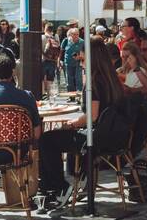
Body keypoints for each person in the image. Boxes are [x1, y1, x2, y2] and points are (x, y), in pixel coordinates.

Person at [38, 43, 126, 207]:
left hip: (96, 137)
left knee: (46, 140)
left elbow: (92, 116)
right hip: (113, 133)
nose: (80, 62)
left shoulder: (94, 82)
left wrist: (72, 123)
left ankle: (58, 187)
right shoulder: (111, 79)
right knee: (50, 138)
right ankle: (50, 188)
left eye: (82, 58)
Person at [60, 28, 85, 93]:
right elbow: (61, 51)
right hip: (68, 63)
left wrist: (80, 57)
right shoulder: (66, 41)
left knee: (78, 80)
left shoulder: (82, 42)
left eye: (77, 34)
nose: (76, 36)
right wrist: (59, 61)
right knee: (69, 80)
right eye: (74, 34)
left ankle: (79, 94)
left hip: (78, 63)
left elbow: (85, 53)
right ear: (70, 34)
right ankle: (71, 95)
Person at [42, 23, 61, 96]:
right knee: (50, 78)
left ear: (45, 29)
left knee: (42, 78)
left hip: (43, 60)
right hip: (52, 61)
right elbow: (59, 49)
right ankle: (49, 95)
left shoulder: (42, 37)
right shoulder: (55, 38)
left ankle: (43, 94)